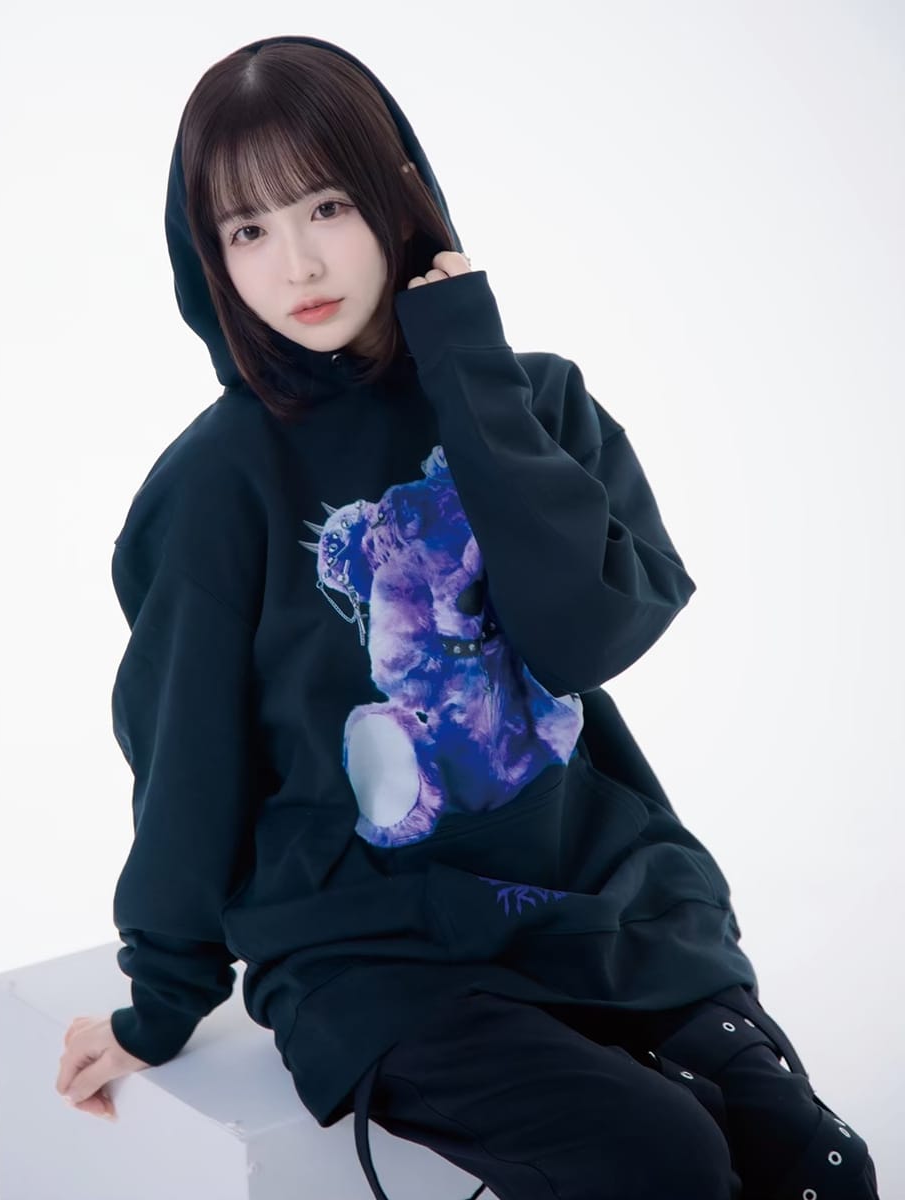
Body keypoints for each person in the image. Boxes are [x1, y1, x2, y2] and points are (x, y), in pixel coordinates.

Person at [54, 33, 881, 1200]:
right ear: (208, 257)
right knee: (664, 1160)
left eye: (327, 206)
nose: (298, 262)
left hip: (599, 898)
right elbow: (186, 758)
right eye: (247, 231)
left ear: (396, 199)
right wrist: (162, 997)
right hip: (375, 949)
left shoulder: (529, 397)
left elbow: (580, 640)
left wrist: (466, 365)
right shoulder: (215, 484)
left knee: (819, 1167)